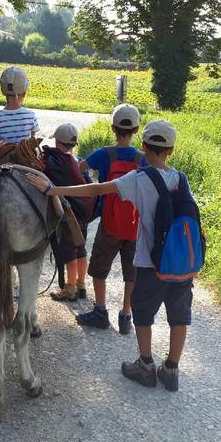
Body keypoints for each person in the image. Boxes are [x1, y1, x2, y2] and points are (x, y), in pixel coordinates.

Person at [26, 119, 192, 392]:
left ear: (145, 146)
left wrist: (53, 190)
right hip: (182, 264)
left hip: (151, 263)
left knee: (143, 314)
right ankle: (172, 369)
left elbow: (95, 189)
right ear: (171, 151)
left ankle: (146, 365)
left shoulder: (140, 178)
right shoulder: (181, 179)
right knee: (179, 316)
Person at [76, 104, 144, 335]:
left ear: (113, 128)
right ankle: (126, 315)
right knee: (131, 273)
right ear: (136, 130)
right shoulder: (142, 158)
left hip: (109, 225)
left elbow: (79, 168)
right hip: (135, 226)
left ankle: (100, 311)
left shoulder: (103, 154)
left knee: (99, 269)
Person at [43, 123, 93, 302]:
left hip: (70, 214)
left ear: (57, 141)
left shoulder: (54, 161)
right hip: (84, 212)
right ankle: (81, 285)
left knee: (69, 252)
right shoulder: (77, 160)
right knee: (81, 249)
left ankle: (70, 289)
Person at [0, 67, 39, 144]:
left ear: (3, 91)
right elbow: (33, 140)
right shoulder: (31, 115)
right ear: (24, 93)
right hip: (24, 155)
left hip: (4, 155)